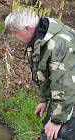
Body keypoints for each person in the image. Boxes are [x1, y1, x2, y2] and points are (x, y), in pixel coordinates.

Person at [5, 9, 75, 140]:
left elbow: (66, 85)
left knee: (55, 135)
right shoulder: (39, 37)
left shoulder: (59, 44)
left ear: (27, 28)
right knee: (47, 132)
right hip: (65, 94)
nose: (14, 36)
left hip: (70, 94)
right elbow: (44, 73)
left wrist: (56, 121)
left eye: (15, 32)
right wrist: (43, 99)